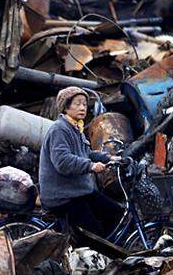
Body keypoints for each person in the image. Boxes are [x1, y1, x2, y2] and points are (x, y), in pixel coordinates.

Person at [38, 86, 122, 238]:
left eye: (84, 104)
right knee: (95, 235)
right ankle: (89, 253)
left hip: (77, 190)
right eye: (77, 104)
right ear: (66, 106)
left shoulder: (76, 128)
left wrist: (109, 158)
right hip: (63, 195)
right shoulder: (60, 130)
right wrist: (90, 166)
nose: (83, 108)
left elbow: (86, 153)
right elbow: (63, 162)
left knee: (116, 212)